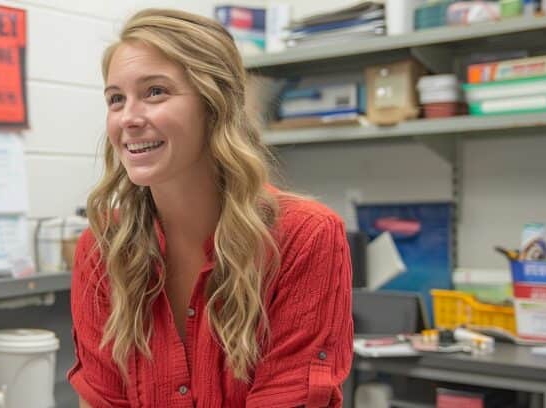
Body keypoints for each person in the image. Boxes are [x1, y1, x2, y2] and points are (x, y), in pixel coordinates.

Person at [69, 8, 353, 408]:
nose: (128, 118)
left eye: (155, 92)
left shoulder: (305, 238)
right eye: (116, 99)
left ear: (214, 106)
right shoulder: (102, 251)